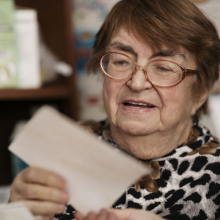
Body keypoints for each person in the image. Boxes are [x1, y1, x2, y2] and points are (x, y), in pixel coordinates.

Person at [9, 0, 220, 219]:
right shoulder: (65, 147)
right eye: (120, 61)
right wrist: (15, 214)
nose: (137, 83)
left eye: (164, 67)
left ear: (201, 91)